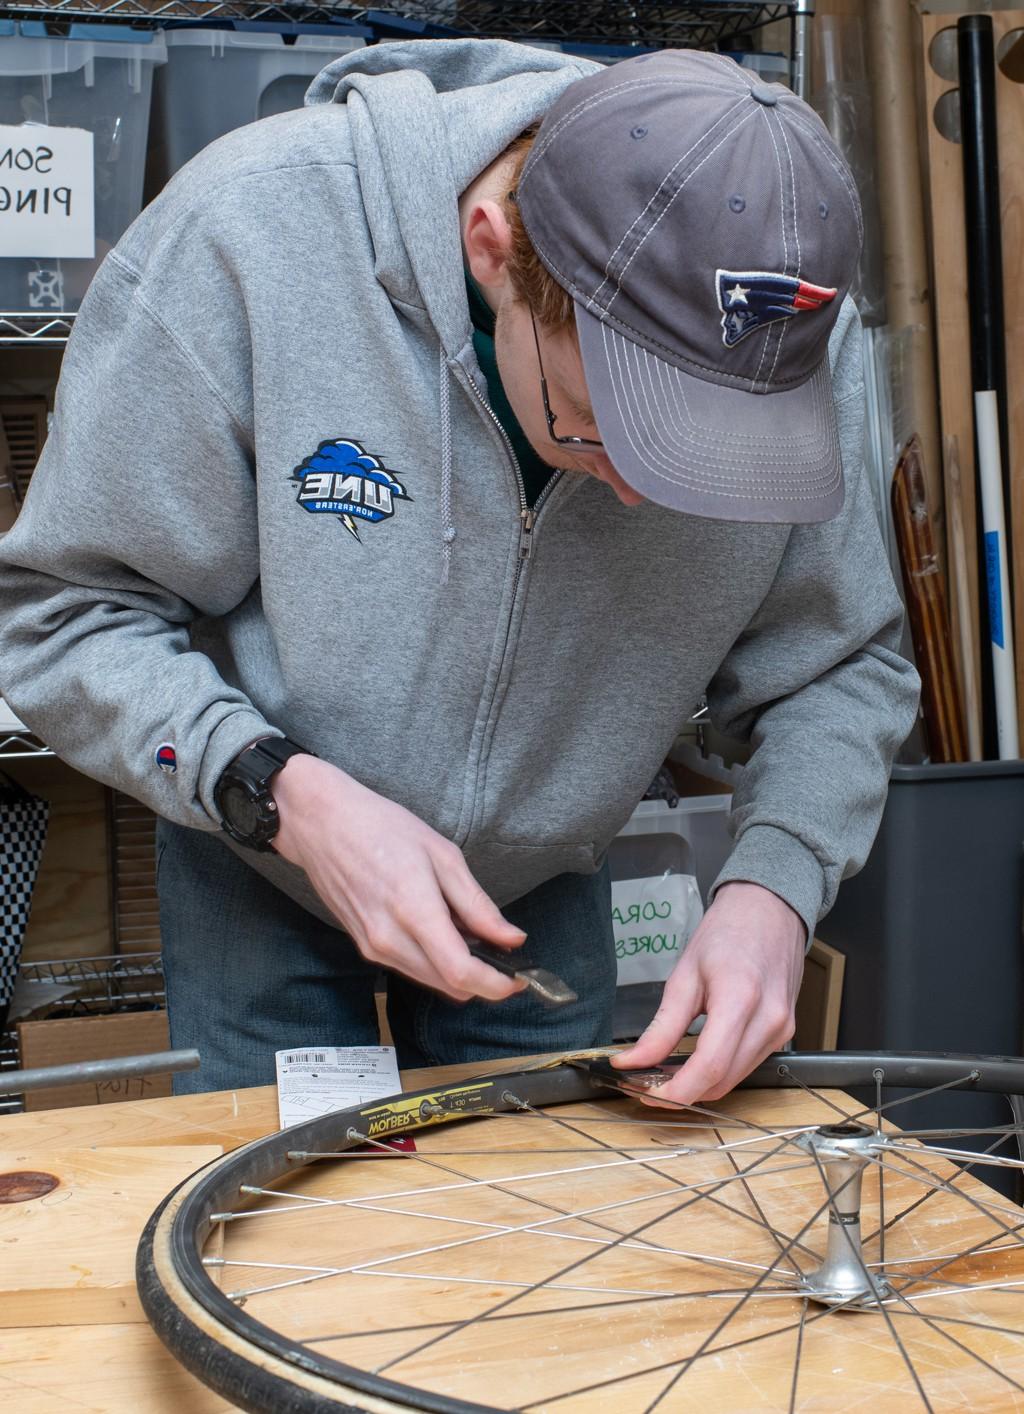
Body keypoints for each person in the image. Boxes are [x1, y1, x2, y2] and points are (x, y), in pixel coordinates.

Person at [0, 41, 918, 1106]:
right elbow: (68, 613)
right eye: (605, 432)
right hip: (260, 853)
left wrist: (775, 885)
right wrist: (275, 792)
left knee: (529, 1237)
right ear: (494, 250)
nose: (641, 499)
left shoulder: (787, 337)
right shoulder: (250, 233)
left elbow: (837, 666)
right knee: (279, 1245)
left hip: (543, 872)